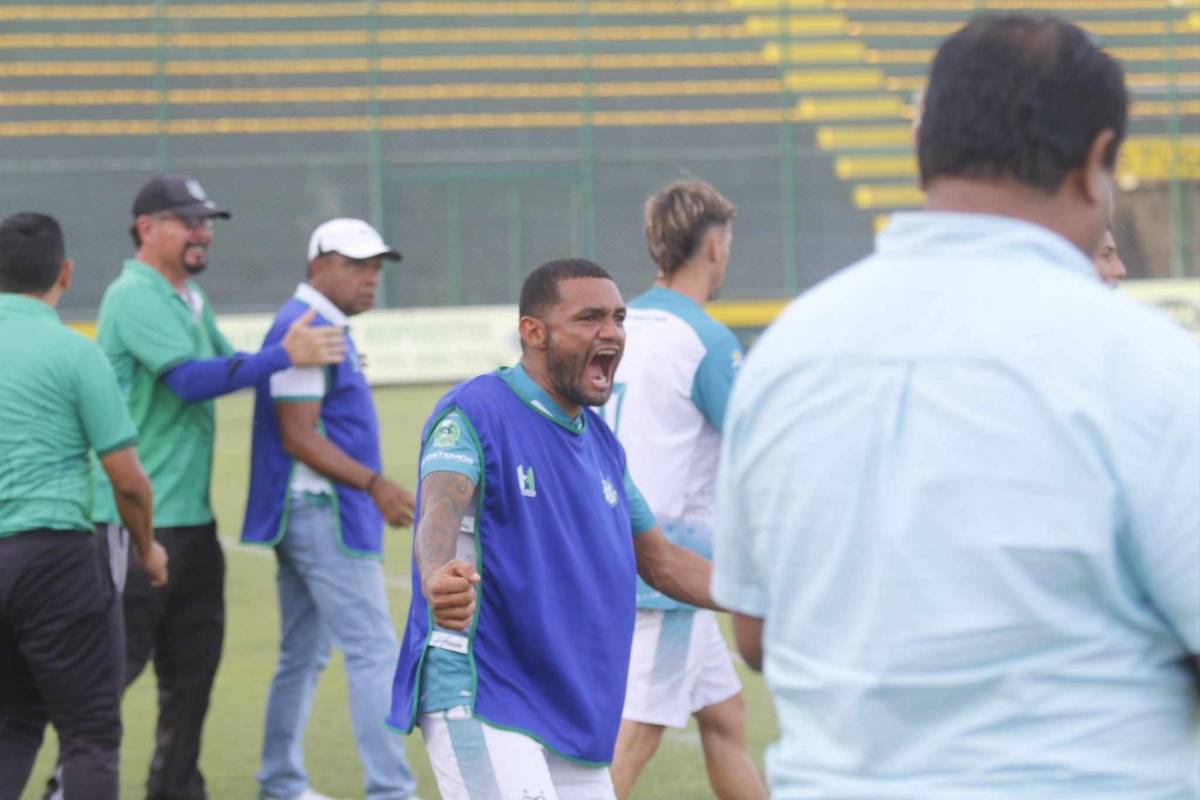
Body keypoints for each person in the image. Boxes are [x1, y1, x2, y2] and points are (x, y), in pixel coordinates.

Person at [713, 14, 1199, 799]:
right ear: (1097, 160)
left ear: (921, 149)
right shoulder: (1150, 368)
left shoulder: (785, 358)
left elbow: (758, 633)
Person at [389, 258, 721, 799]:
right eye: (590, 318)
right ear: (533, 332)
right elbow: (439, 510)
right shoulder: (475, 410)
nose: (611, 332)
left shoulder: (601, 444)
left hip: (566, 708)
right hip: (481, 693)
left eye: (617, 318)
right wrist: (434, 573)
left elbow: (662, 562)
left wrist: (766, 596)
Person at [89, 174, 346, 800]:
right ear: (147, 228)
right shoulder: (137, 294)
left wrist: (302, 365)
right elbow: (192, 381)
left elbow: (236, 366)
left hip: (191, 522)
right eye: (188, 220)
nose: (203, 232)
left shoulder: (187, 297)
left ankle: (175, 791)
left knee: (193, 674)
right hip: (133, 519)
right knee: (109, 678)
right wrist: (287, 354)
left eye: (208, 221)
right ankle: (66, 786)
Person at [242, 218, 418, 800]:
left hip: (310, 514)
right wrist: (375, 483)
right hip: (324, 514)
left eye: (375, 267)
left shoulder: (317, 322)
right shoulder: (307, 324)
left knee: (304, 654)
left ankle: (279, 782)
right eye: (356, 265)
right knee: (372, 651)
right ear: (319, 265)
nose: (371, 278)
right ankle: (389, 791)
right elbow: (299, 434)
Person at [604, 181, 765, 800]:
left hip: (620, 547)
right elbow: (759, 447)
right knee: (634, 738)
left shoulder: (621, 322)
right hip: (671, 568)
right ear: (716, 248)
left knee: (724, 718)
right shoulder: (705, 341)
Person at [0, 212, 167, 800]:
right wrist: (148, 549)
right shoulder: (75, 353)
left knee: (11, 721)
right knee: (89, 733)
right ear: (64, 273)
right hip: (53, 557)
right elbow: (126, 481)